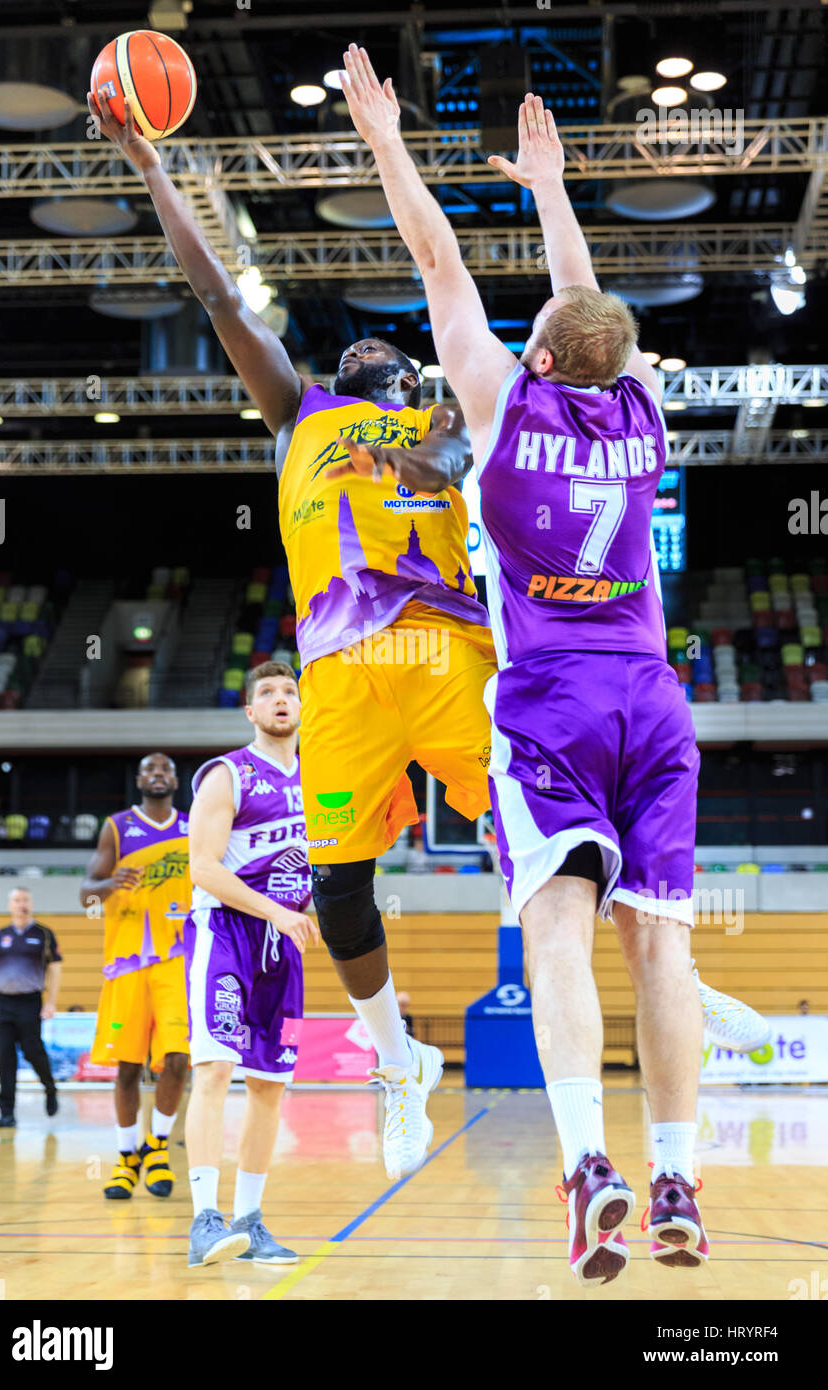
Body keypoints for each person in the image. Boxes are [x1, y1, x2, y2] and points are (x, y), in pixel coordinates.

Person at [338, 46, 717, 1285]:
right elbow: (586, 305)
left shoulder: (504, 404)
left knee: (556, 930)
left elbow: (439, 262)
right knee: (661, 946)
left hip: (549, 699)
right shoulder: (641, 413)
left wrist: (387, 142)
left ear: (541, 360)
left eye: (533, 335)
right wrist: (554, 195)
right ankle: (675, 1174)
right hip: (653, 702)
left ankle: (585, 1164)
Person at [88, 85, 497, 1185]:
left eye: (385, 342)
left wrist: (422, 451)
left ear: (406, 373)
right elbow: (215, 288)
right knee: (339, 889)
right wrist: (146, 164)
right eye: (350, 344)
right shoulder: (297, 411)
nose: (364, 340)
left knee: (544, 827)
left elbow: (458, 464)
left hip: (448, 651)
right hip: (340, 680)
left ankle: (657, 953)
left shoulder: (440, 409)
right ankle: (398, 1055)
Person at [183, 661, 318, 1268]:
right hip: (228, 933)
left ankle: (249, 1220)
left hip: (285, 946)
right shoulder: (226, 775)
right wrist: (279, 912)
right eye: (267, 693)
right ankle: (204, 1219)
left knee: (270, 1086)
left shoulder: (324, 777)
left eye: (289, 691)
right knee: (214, 1070)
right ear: (249, 711)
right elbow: (204, 868)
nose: (281, 699)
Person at [80, 753, 191, 1201]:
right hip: (128, 962)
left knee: (179, 1059)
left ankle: (158, 1147)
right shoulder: (117, 826)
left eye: (165, 768)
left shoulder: (193, 826)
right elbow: (86, 892)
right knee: (127, 1067)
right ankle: (127, 1158)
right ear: (140, 779)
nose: (158, 774)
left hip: (178, 959)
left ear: (176, 780)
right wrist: (107, 886)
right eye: (150, 769)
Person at [0, 887, 60, 1127]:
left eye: (25, 899)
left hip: (31, 1001)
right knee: (5, 1057)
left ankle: (50, 1087)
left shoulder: (44, 934)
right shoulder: (0, 935)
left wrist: (51, 1002)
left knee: (32, 1051)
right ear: (10, 905)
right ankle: (7, 1112)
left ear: (31, 903)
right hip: (5, 1002)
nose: (21, 904)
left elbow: (55, 969)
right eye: (17, 900)